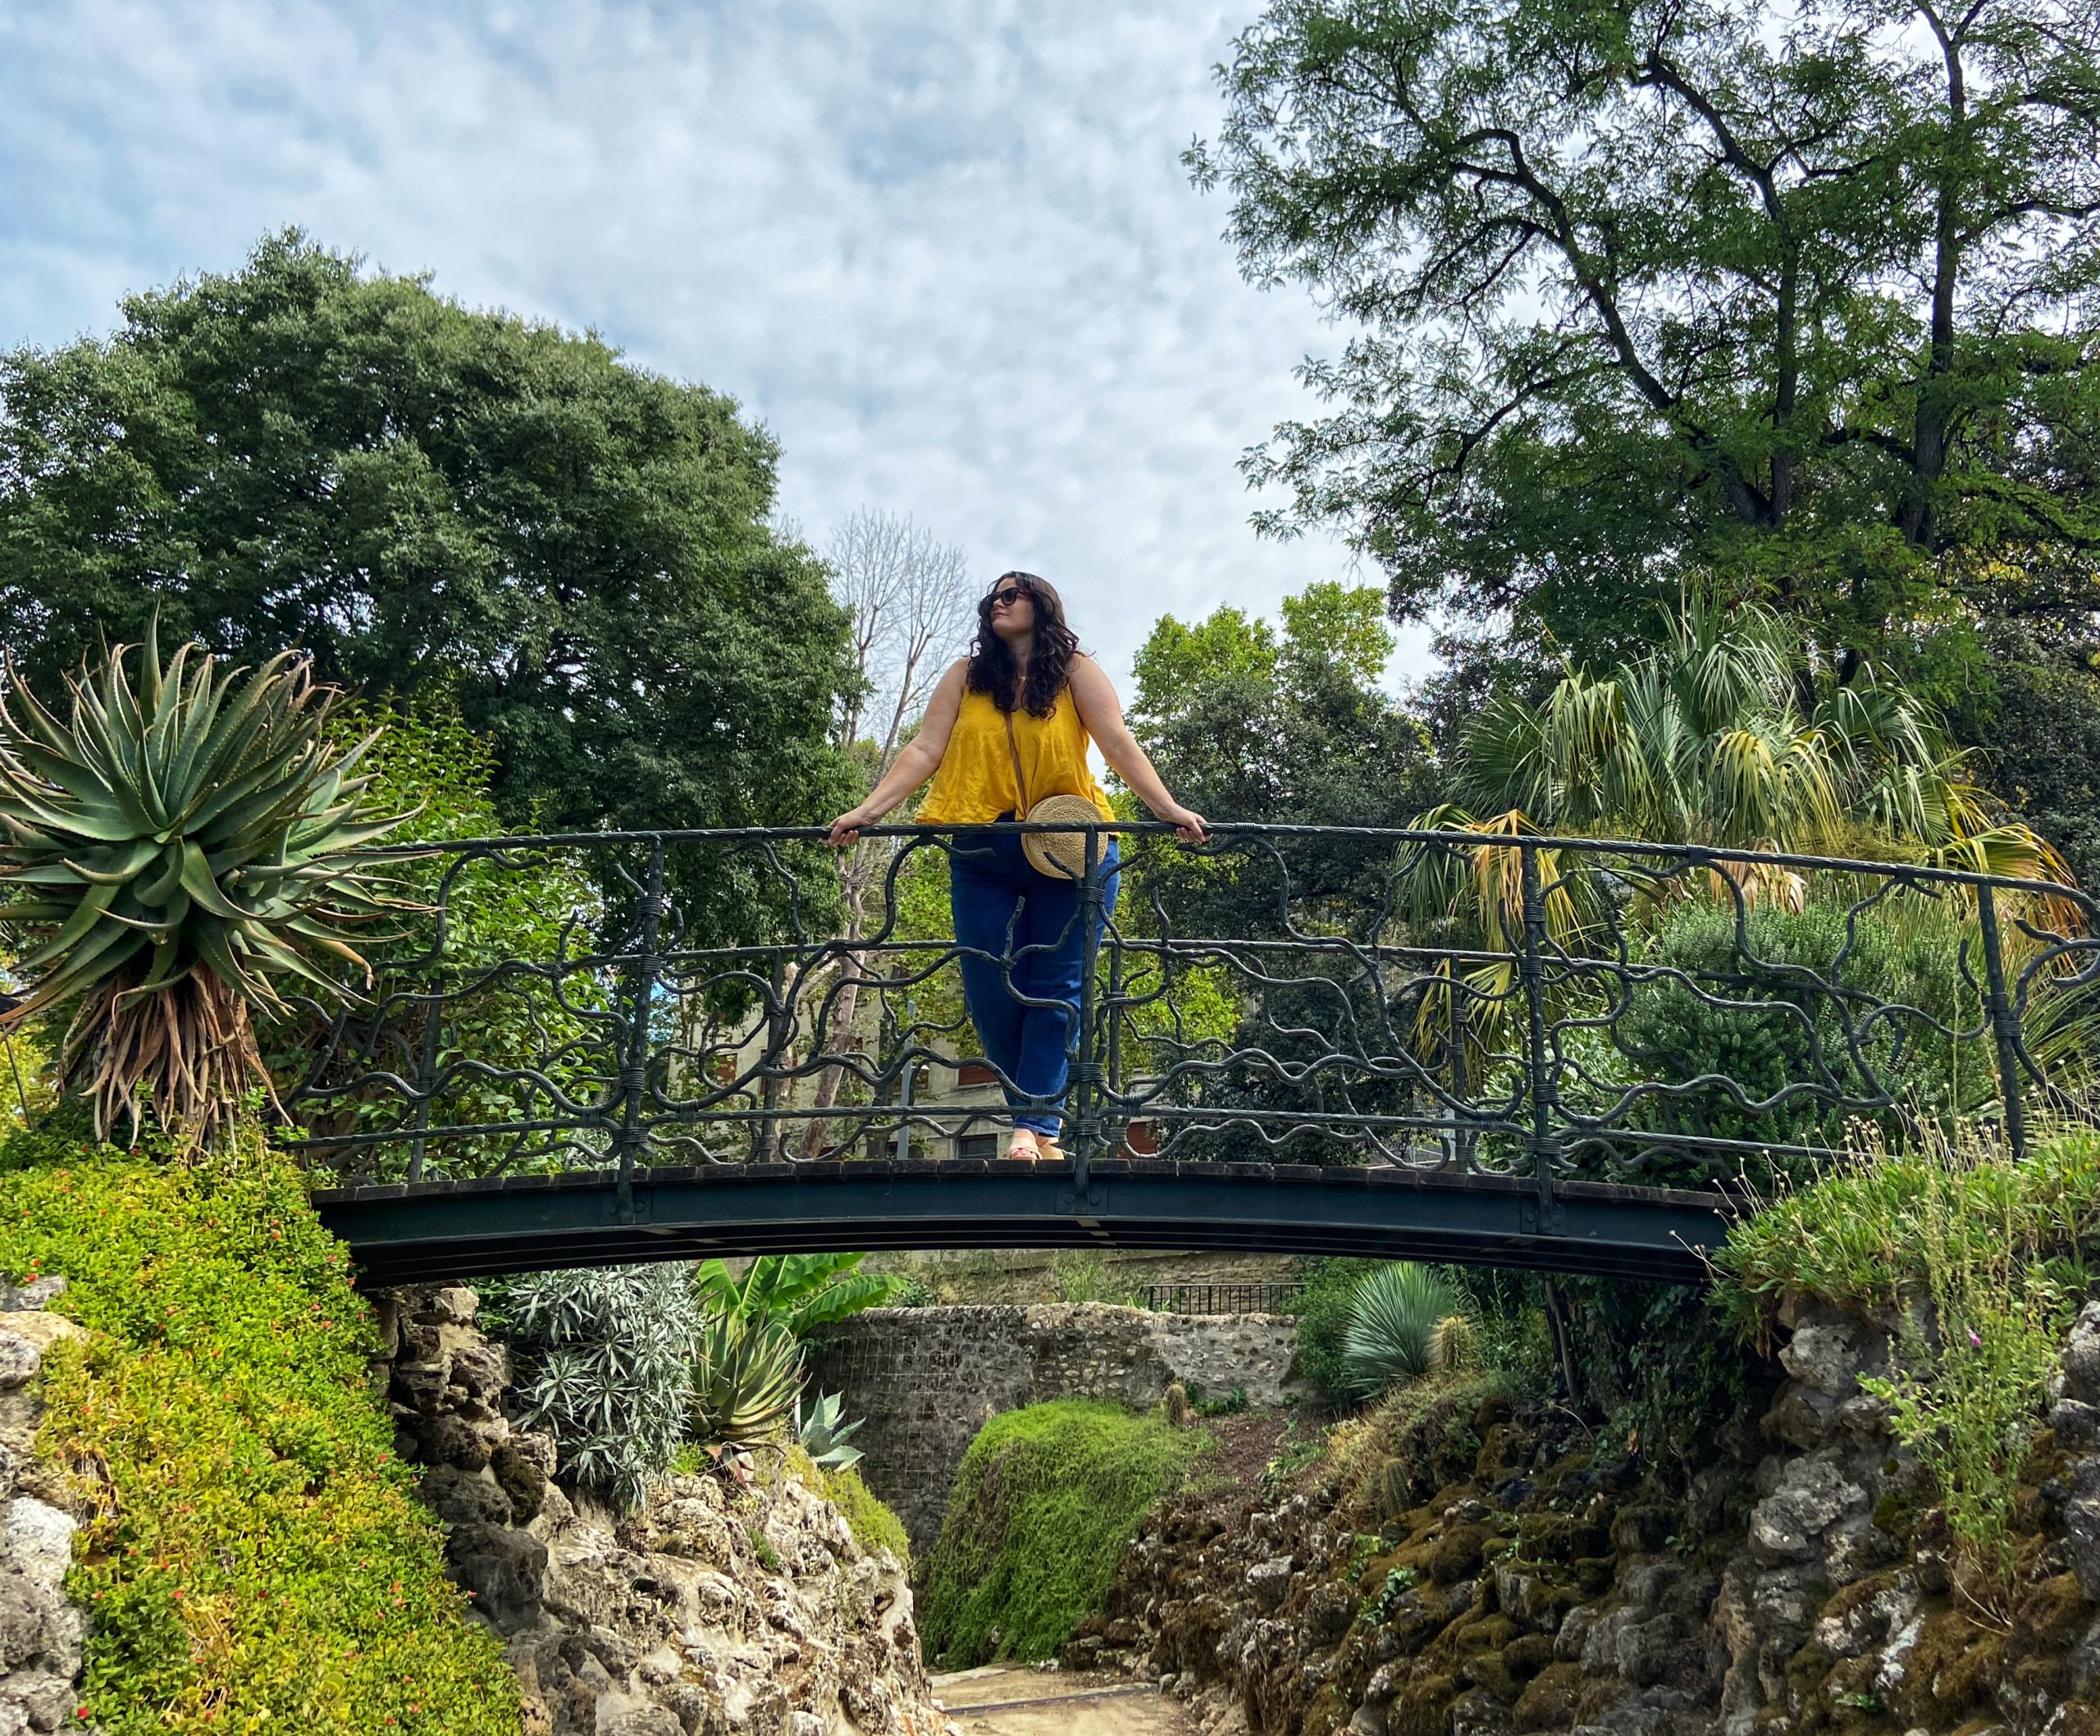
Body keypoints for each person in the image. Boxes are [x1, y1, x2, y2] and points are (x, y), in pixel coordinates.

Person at [827, 572, 1208, 1159]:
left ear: (1042, 604)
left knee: (1057, 986)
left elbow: (1117, 742)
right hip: (983, 844)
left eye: (1011, 594)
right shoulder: (967, 675)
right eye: (993, 598)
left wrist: (1168, 808)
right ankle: (1035, 1123)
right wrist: (869, 811)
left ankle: (1032, 1128)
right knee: (988, 986)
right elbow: (926, 749)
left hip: (1070, 846)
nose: (998, 604)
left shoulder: (1075, 670)